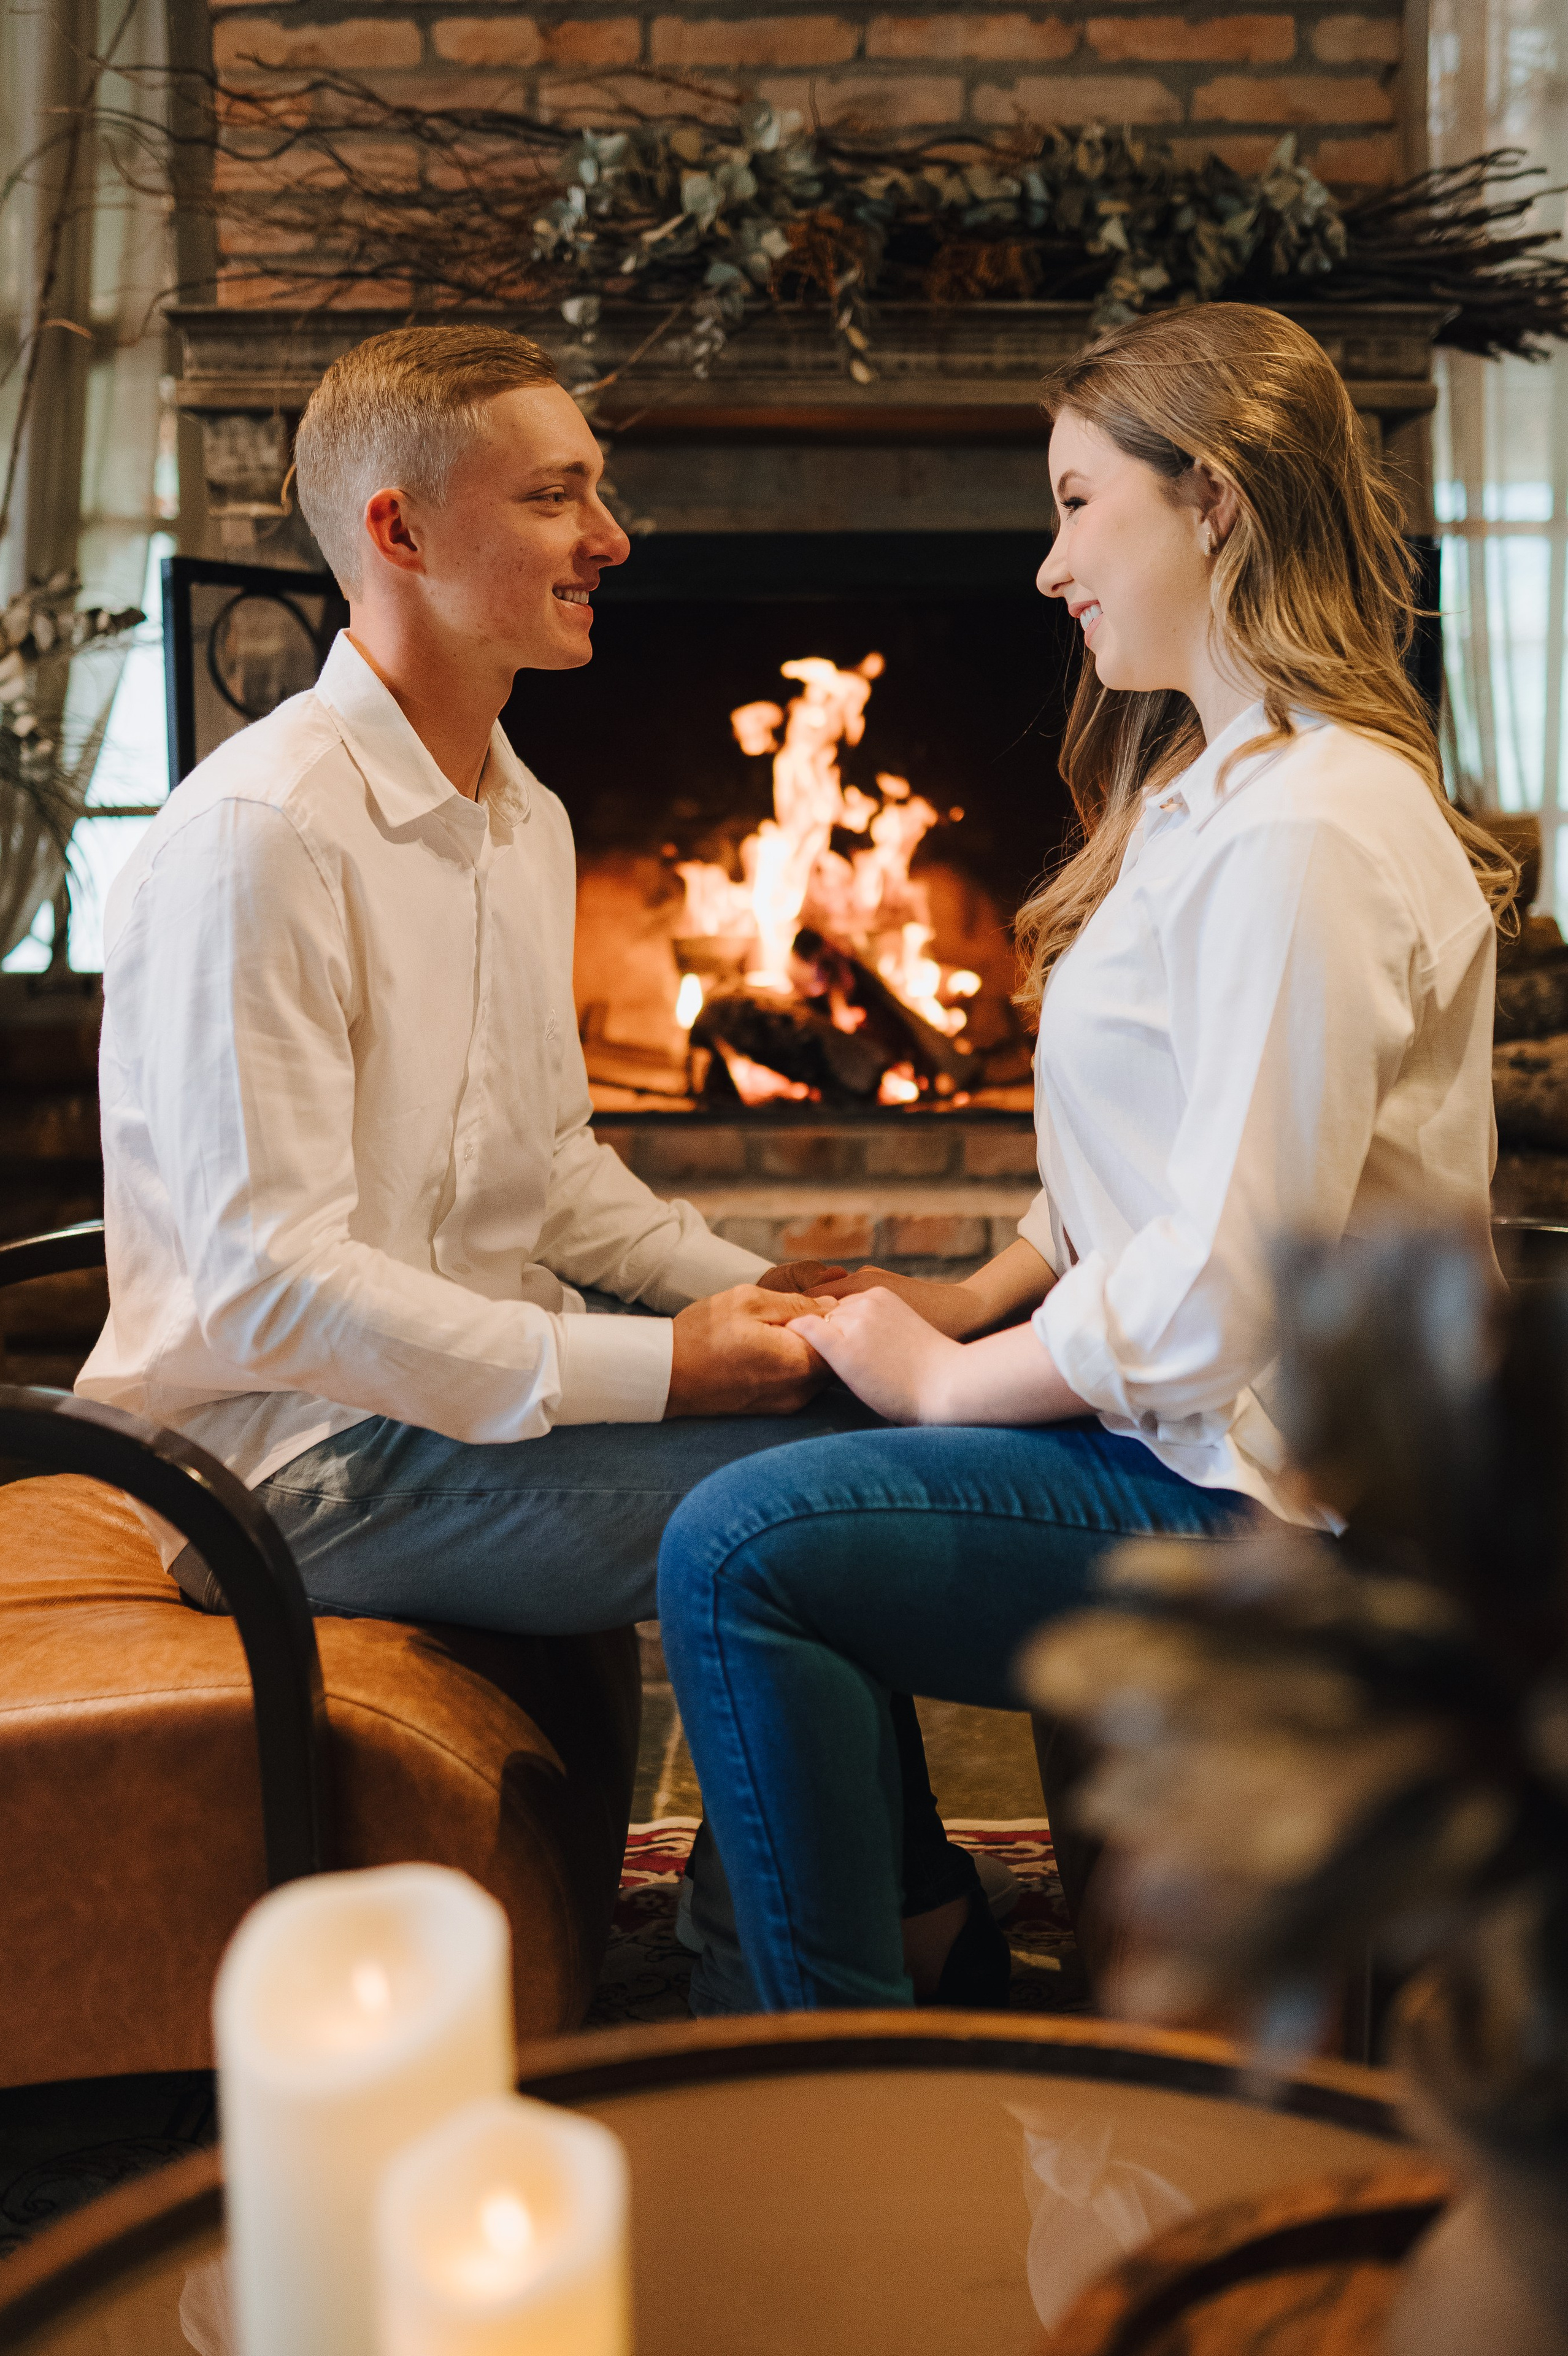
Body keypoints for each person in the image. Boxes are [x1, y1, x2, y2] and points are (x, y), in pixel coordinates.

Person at [74, 323, 985, 2006]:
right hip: (288, 1465)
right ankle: (805, 1999)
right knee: (804, 1518)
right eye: (557, 496)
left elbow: (550, 1169)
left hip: (448, 1407)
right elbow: (270, 1288)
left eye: (599, 493)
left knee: (851, 1433)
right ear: (401, 531)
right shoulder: (259, 838)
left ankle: (872, 1930)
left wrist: (774, 1298)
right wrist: (663, 1368)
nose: (612, 539)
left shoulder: (523, 813)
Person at [655, 301, 1519, 2014]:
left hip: (1290, 1502)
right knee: (798, 1441)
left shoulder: (1309, 832)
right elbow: (1155, 1150)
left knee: (737, 1551)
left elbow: (1228, 1282)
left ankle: (822, 2071)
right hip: (1200, 1438)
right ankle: (913, 1938)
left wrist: (946, 1386)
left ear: (1213, 500)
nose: (1051, 568)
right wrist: (978, 1294)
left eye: (1073, 502)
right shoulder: (1215, 796)